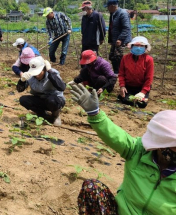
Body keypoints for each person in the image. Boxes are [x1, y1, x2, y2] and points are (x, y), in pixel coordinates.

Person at [70, 83, 176, 214]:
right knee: (92, 188)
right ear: (159, 143)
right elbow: (116, 136)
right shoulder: (138, 151)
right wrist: (94, 113)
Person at [16, 56, 66, 126]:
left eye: (39, 72)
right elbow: (19, 90)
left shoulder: (52, 73)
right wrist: (22, 81)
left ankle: (55, 116)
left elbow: (62, 87)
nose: (37, 75)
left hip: (55, 100)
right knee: (23, 100)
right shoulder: (30, 75)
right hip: (40, 99)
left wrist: (50, 72)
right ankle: (42, 114)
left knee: (52, 101)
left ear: (44, 69)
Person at [118, 36, 154, 108]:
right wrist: (122, 86)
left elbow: (149, 78)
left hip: (141, 86)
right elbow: (121, 74)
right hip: (129, 86)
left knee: (141, 104)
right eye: (136, 45)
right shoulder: (125, 58)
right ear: (132, 46)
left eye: (141, 46)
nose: (138, 47)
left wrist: (143, 92)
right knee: (125, 100)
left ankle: (143, 97)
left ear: (145, 47)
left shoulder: (149, 60)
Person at [105, 0, 132, 74]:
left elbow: (126, 28)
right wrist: (111, 40)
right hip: (115, 40)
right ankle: (116, 72)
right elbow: (111, 27)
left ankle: (121, 73)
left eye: (108, 6)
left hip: (122, 41)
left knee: (119, 57)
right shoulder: (113, 14)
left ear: (113, 6)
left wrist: (120, 39)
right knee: (113, 57)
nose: (107, 8)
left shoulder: (123, 14)